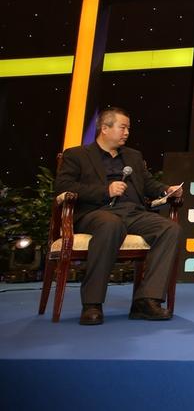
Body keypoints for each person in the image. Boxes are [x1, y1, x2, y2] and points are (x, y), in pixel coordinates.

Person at [54, 107, 183, 325]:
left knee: (170, 229)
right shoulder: (77, 155)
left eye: (128, 128)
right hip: (96, 213)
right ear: (105, 128)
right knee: (110, 224)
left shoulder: (133, 156)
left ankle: (146, 300)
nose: (127, 133)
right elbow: (63, 186)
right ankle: (92, 303)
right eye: (123, 128)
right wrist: (106, 190)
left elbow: (148, 184)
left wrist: (166, 190)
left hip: (132, 212)